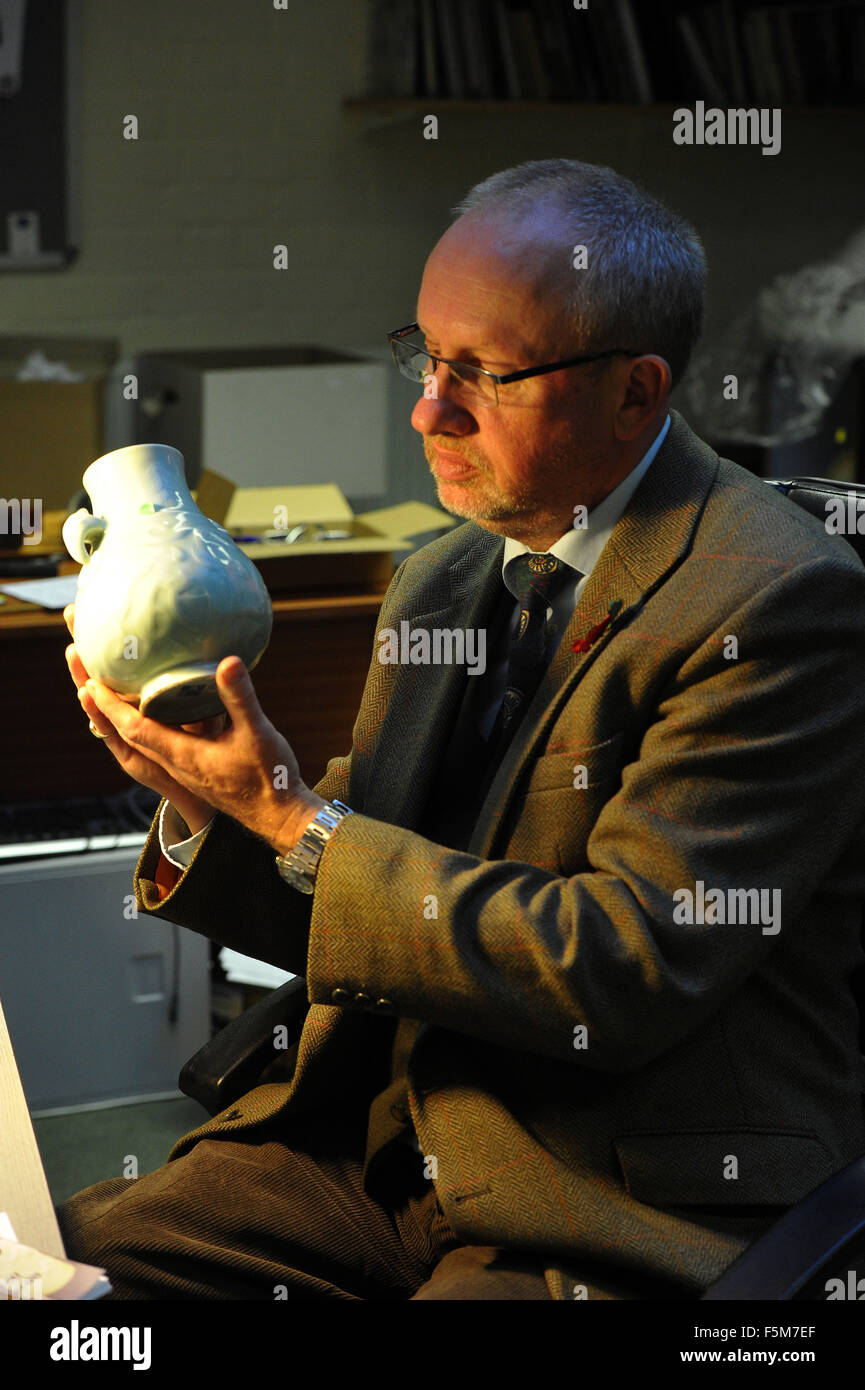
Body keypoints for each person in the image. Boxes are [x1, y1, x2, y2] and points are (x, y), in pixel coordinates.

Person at [57, 159, 865, 1301]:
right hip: (372, 1142)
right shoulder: (442, 577)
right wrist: (204, 799)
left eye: (483, 373)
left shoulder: (780, 602)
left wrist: (291, 815)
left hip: (608, 1185)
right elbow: (359, 879)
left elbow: (619, 968)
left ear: (636, 392)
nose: (428, 408)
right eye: (426, 357)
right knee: (60, 1277)